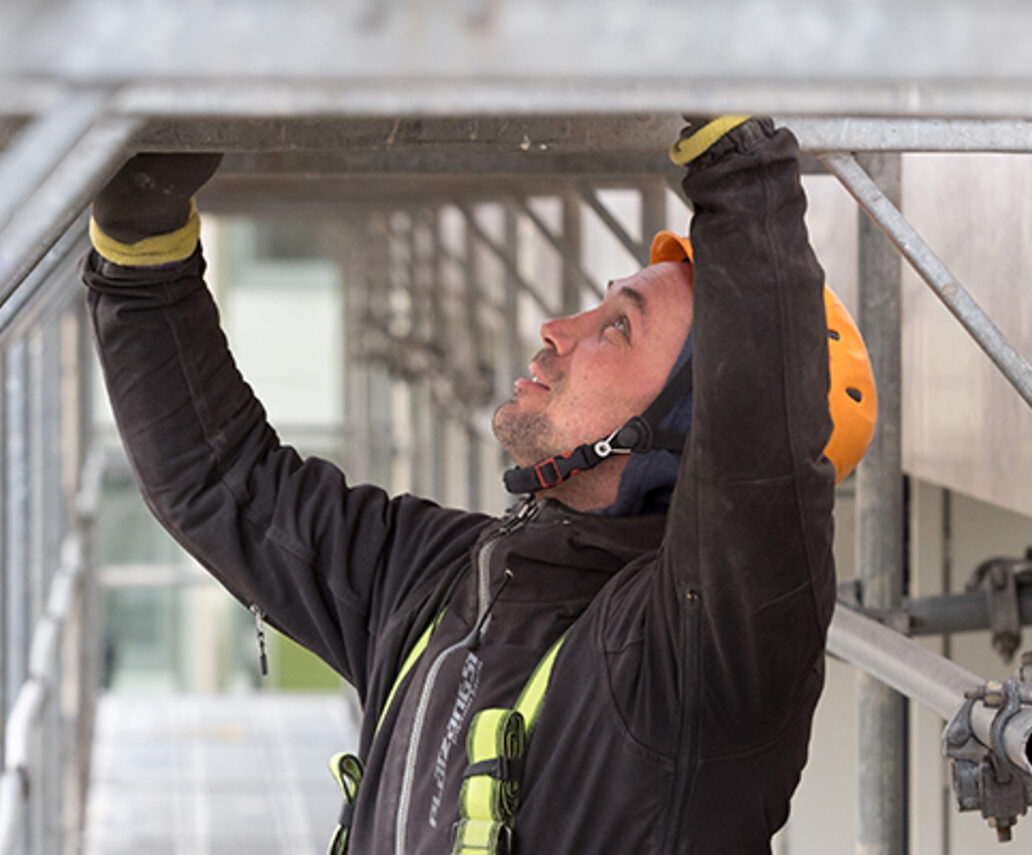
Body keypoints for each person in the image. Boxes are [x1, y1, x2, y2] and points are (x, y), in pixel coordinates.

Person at [82, 116, 874, 854]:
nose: (557, 331)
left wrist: (733, 141)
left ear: (691, 436)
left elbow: (761, 446)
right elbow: (225, 485)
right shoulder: (452, 582)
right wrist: (139, 252)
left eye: (617, 328)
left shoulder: (692, 672)